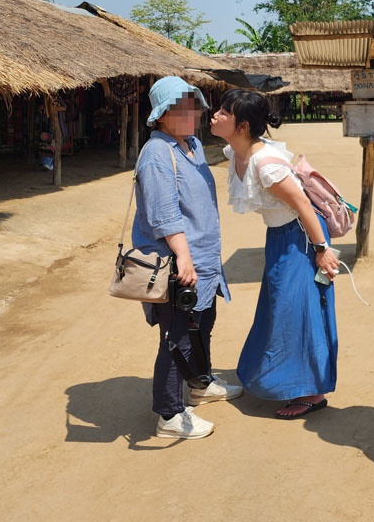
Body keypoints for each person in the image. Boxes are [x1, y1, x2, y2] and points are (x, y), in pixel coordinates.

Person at [210, 88, 341, 419]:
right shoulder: (235, 150)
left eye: (225, 111)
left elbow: (303, 206)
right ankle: (291, 382)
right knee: (280, 308)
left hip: (301, 238)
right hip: (280, 236)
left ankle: (311, 393)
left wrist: (322, 251)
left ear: (242, 126)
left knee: (297, 311)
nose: (216, 114)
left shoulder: (265, 165)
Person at [133, 76, 240, 440]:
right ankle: (169, 414)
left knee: (202, 325)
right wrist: (183, 258)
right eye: (179, 107)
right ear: (161, 115)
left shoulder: (191, 144)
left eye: (192, 104)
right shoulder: (157, 153)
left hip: (203, 258)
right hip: (179, 261)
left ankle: (200, 384)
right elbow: (164, 214)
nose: (190, 113)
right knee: (177, 336)